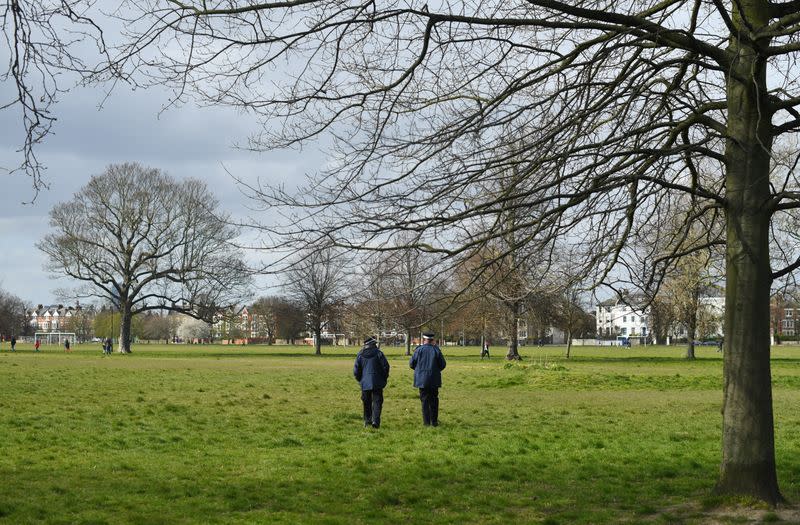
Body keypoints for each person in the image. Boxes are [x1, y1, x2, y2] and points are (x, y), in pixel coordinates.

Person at [409, 332, 447, 427]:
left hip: (422, 379)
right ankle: (434, 421)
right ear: (432, 340)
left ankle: (426, 422)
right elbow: (443, 364)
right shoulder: (436, 350)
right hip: (434, 379)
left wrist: (419, 370)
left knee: (424, 401)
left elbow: (411, 364)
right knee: (434, 400)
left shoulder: (419, 350)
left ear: (424, 339)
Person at [353, 336, 390, 429]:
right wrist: (383, 378)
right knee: (377, 402)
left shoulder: (360, 354)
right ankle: (375, 421)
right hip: (377, 382)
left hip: (365, 382)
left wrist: (360, 380)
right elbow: (386, 367)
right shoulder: (379, 353)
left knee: (366, 402)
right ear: (373, 344)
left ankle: (367, 420)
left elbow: (356, 370)